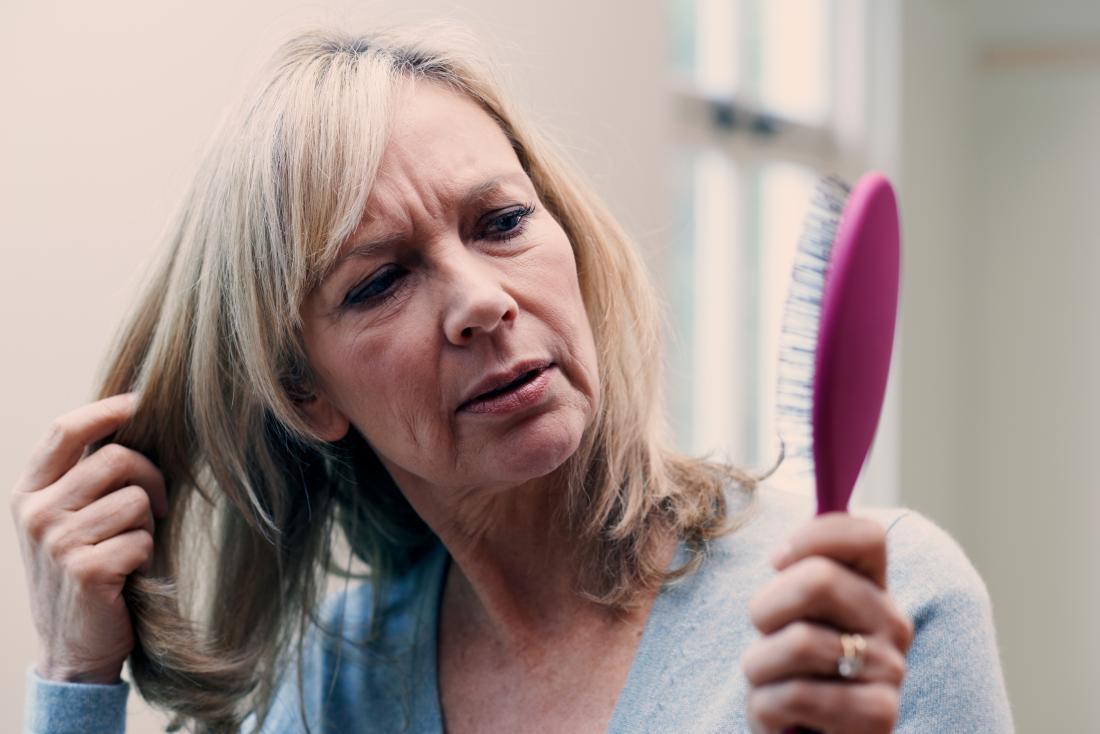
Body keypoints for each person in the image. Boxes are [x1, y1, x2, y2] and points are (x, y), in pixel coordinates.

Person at [11, 24, 1013, 734]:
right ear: (305, 392)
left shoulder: (880, 601)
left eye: (500, 222)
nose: (480, 299)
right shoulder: (332, 688)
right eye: (381, 280)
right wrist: (73, 680)